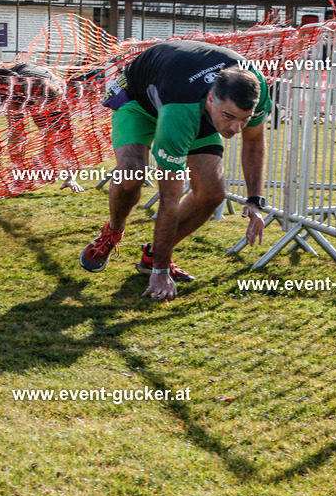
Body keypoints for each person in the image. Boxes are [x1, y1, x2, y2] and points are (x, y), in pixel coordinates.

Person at [79, 39, 271, 300]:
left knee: (212, 194)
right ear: (212, 99)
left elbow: (254, 143)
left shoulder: (257, 89)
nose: (235, 129)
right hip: (140, 101)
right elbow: (169, 200)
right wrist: (160, 273)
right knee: (132, 176)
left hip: (189, 100)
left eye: (244, 119)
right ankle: (112, 231)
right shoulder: (181, 110)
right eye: (229, 116)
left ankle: (153, 255)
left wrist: (254, 200)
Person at [0, 62, 84, 192]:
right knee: (16, 131)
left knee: (55, 136)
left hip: (43, 85)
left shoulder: (60, 105)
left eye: (48, 109)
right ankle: (19, 173)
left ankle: (39, 162)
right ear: (35, 97)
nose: (43, 112)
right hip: (21, 82)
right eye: (42, 108)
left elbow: (67, 144)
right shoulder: (18, 84)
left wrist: (71, 178)